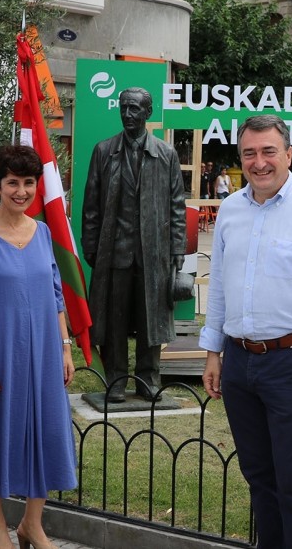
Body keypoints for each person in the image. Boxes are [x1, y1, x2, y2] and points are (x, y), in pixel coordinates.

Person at [200, 115, 292, 548]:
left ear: (288, 154)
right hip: (239, 361)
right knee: (259, 477)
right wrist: (212, 352)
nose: (259, 162)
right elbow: (220, 286)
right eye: (249, 153)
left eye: (269, 151)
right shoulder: (230, 210)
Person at [0, 145, 77, 549]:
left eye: (29, 183)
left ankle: (32, 524)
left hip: (44, 353)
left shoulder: (42, 232)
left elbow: (56, 294)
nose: (22, 191)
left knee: (46, 432)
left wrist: (65, 348)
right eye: (12, 182)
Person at [82, 87, 185, 402]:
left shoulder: (166, 154)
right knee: (114, 320)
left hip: (153, 254)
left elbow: (176, 207)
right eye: (124, 108)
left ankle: (148, 379)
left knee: (150, 320)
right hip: (115, 253)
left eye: (135, 109)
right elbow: (91, 205)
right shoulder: (104, 151)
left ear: (147, 113)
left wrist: (177, 251)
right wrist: (91, 246)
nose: (128, 114)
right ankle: (115, 379)